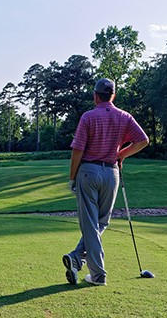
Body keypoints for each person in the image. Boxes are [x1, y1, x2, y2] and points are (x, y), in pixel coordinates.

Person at [63, 78, 149, 286]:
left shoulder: (88, 117)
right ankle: (76, 258)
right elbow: (143, 140)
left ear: (95, 96)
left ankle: (98, 274)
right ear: (113, 96)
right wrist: (122, 154)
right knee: (101, 222)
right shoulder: (124, 116)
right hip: (111, 174)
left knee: (91, 223)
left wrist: (72, 177)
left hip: (88, 172)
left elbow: (78, 149)